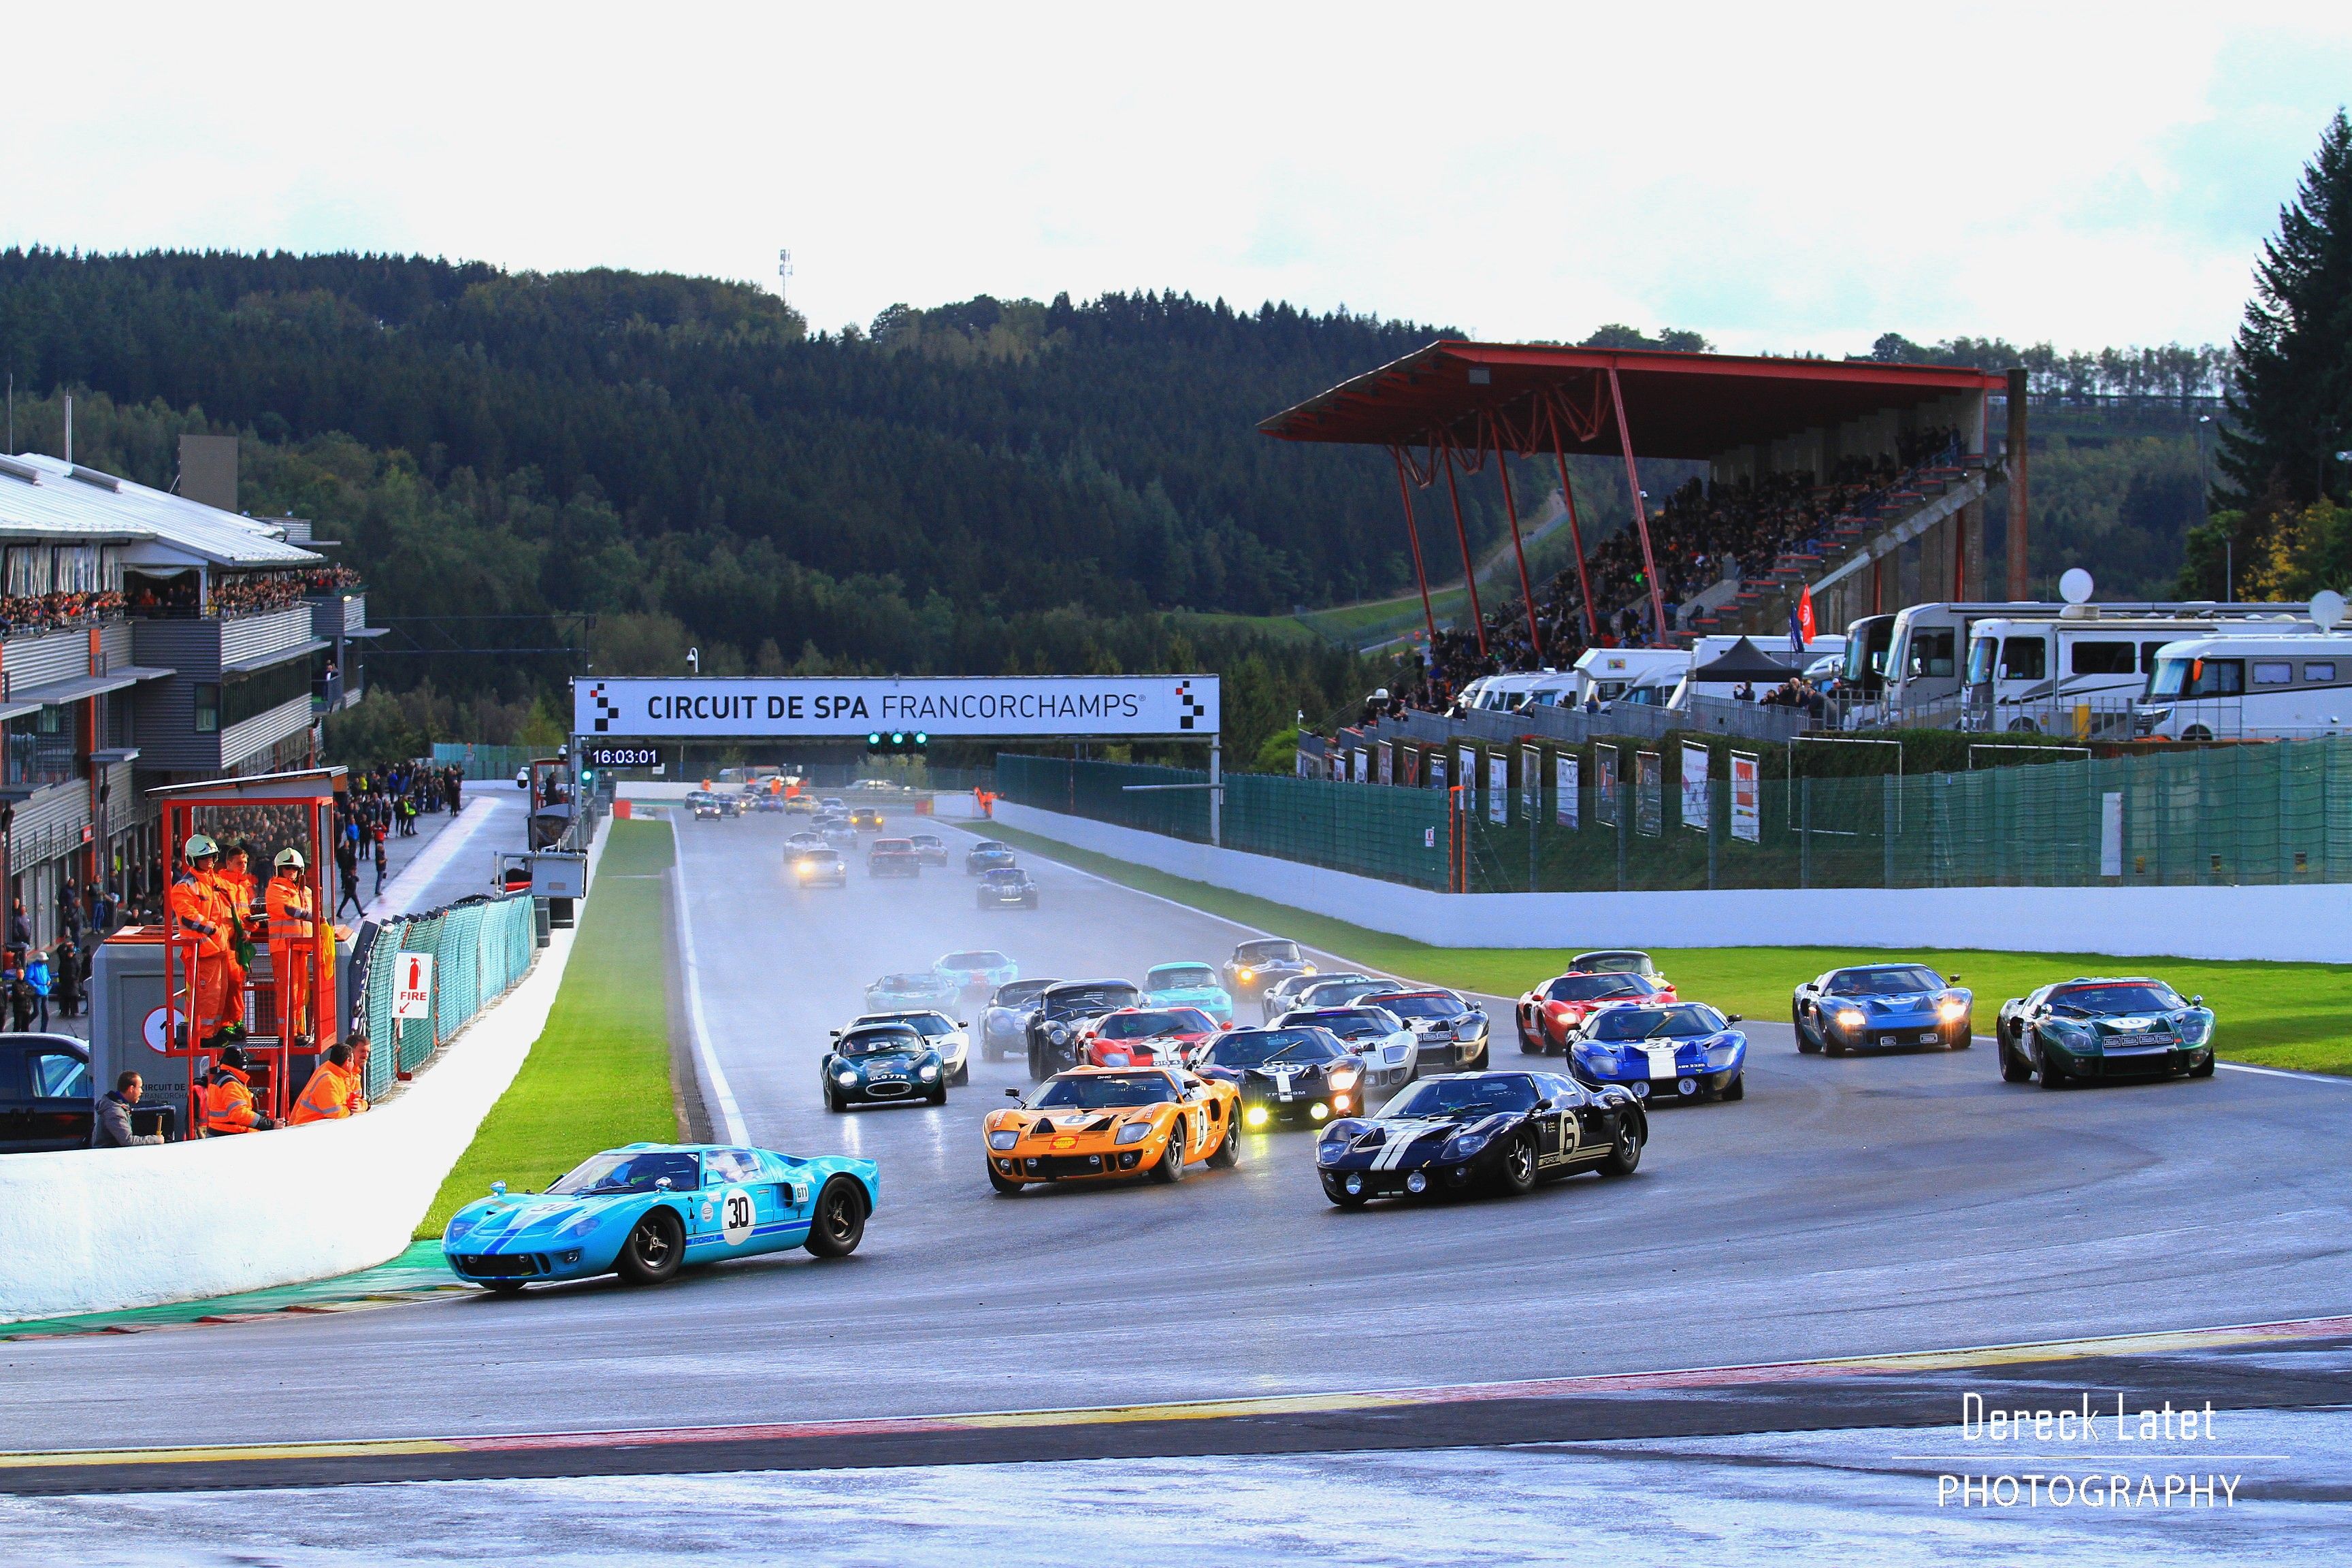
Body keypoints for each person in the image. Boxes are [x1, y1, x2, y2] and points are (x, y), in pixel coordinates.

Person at [167, 834, 238, 1046]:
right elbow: (188, 916)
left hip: (219, 949)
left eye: (211, 857)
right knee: (208, 996)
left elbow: (233, 900)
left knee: (219, 994)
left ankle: (214, 1032)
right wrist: (213, 929)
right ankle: (205, 1036)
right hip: (202, 951)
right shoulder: (185, 886)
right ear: (193, 860)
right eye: (204, 858)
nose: (209, 861)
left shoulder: (215, 883)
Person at [266, 847, 318, 1047]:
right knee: (287, 991)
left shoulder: (306, 892)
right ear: (279, 870)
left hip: (301, 948)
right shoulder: (275, 889)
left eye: (294, 869)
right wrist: (311, 917)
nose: (291, 872)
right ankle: (286, 1032)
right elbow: (288, 910)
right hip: (283, 948)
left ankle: (298, 1031)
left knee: (300, 992)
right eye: (287, 868)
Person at [289, 1040, 369, 1126]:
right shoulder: (329, 1080)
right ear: (347, 1062)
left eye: (367, 1052)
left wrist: (363, 1105)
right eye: (362, 1051)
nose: (366, 1056)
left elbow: (352, 1101)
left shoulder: (340, 1075)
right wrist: (350, 1110)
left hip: (316, 1125)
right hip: (307, 1127)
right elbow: (336, 1112)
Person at [201, 1044, 274, 1134]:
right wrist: (270, 1125)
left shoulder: (221, 1079)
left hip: (220, 1133)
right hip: (230, 1135)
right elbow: (239, 1114)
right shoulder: (231, 1084)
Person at [93, 1071, 165, 1147]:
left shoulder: (120, 1107)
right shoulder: (115, 1112)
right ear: (131, 1089)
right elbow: (128, 1140)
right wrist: (156, 1139)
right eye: (140, 1087)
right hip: (110, 1154)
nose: (142, 1092)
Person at [334, 832, 363, 919]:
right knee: (347, 902)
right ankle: (360, 913)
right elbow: (349, 879)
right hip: (350, 890)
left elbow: (352, 857)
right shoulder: (348, 875)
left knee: (348, 902)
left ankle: (360, 913)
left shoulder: (350, 851)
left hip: (351, 890)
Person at [24, 946, 51, 1032]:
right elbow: (28, 978)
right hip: (37, 992)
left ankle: (43, 1031)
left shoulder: (45, 966)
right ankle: (25, 1024)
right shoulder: (33, 966)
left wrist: (49, 980)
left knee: (46, 1013)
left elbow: (47, 975)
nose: (44, 962)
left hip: (45, 990)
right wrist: (35, 986)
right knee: (37, 1012)